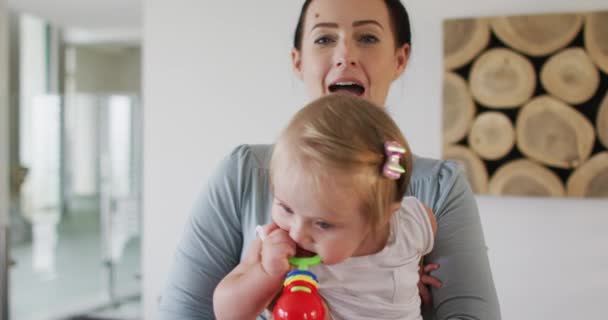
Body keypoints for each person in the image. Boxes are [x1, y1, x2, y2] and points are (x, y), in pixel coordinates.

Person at [158, 0, 501, 319]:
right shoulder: (249, 177)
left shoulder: (434, 188)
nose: (344, 55)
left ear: (400, 59)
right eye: (324, 39)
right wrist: (264, 275)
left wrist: (405, 271)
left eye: (367, 37)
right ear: (298, 60)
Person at [214, 94, 437, 320]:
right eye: (286, 208)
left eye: (322, 223)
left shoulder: (414, 223)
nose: (297, 233)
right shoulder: (275, 247)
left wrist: (413, 270)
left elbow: (420, 240)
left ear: (381, 217)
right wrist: (266, 273)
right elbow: (226, 312)